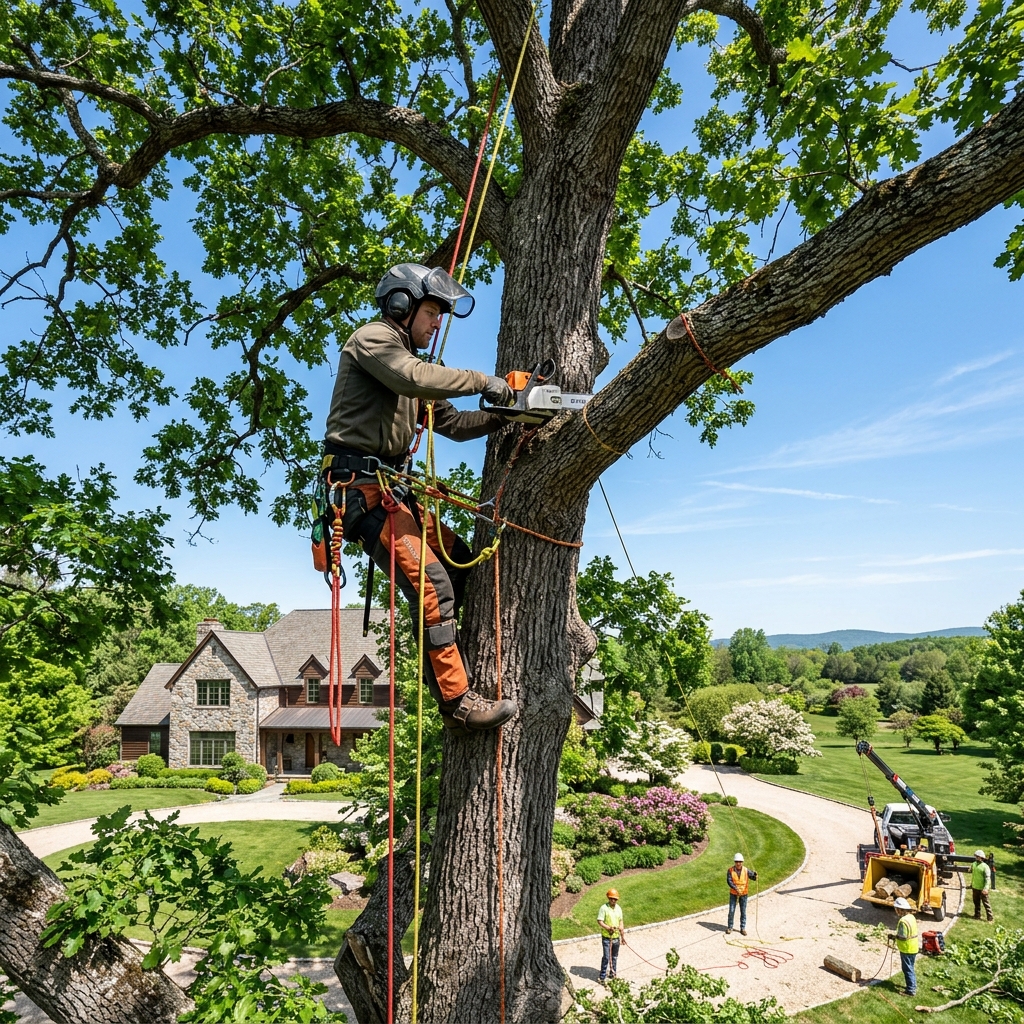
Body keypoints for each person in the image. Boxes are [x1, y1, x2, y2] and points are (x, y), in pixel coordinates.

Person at [323, 263, 517, 733]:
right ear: (401, 305)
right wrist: (484, 381)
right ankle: (457, 706)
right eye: (432, 313)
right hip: (363, 495)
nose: (436, 324)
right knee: (433, 585)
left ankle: (454, 663)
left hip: (395, 493)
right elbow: (413, 378)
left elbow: (451, 424)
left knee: (462, 564)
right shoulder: (374, 341)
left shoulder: (412, 369)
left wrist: (509, 414)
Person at [890, 896, 919, 996]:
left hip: (907, 948)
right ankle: (913, 985)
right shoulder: (911, 917)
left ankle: (911, 990)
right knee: (910, 967)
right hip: (914, 947)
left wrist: (894, 937)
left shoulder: (903, 921)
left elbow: (903, 937)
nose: (896, 911)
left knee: (907, 969)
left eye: (896, 909)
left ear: (900, 909)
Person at [597, 888, 625, 984]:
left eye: (615, 899)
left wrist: (623, 936)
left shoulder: (619, 908)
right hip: (607, 937)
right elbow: (600, 921)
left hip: (616, 937)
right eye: (611, 898)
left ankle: (613, 973)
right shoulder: (604, 908)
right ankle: (602, 977)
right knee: (606, 957)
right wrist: (608, 928)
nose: (613, 900)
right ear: (608, 898)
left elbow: (621, 921)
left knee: (614, 957)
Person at [726, 853, 757, 936]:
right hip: (733, 894)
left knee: (743, 911)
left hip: (744, 894)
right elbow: (729, 881)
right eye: (736, 862)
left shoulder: (746, 870)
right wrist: (736, 889)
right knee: (731, 910)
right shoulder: (730, 870)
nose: (738, 863)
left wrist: (755, 875)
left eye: (740, 861)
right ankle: (730, 927)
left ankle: (742, 928)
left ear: (742, 862)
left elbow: (753, 878)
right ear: (734, 862)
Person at [971, 849, 994, 922]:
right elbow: (972, 872)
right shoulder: (973, 864)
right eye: (976, 856)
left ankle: (990, 918)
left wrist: (986, 888)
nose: (976, 858)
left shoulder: (985, 867)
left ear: (981, 858)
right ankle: (977, 915)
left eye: (978, 856)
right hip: (975, 887)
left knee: (986, 903)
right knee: (976, 902)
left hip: (982, 889)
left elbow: (988, 879)